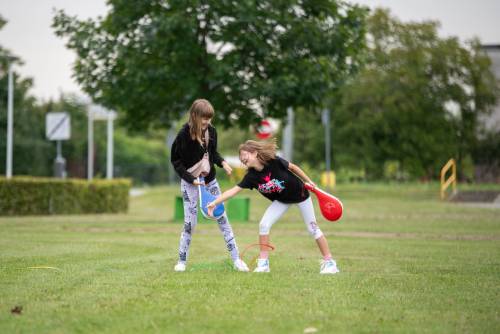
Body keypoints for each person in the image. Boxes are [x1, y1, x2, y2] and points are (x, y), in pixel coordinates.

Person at [207, 139, 339, 274]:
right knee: (264, 224)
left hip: (301, 195)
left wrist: (310, 182)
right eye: (240, 157)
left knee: (313, 229)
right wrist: (214, 202)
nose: (242, 158)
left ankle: (330, 263)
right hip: (282, 201)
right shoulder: (251, 177)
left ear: (255, 153)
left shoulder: (273, 161)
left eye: (244, 155)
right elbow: (233, 191)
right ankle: (264, 264)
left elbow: (293, 168)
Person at [170, 99, 249, 272]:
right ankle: (181, 261)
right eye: (203, 118)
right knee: (190, 224)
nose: (207, 122)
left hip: (209, 180)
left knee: (222, 217)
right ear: (194, 116)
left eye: (209, 118)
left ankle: (237, 260)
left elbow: (213, 154)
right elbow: (176, 161)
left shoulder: (212, 131)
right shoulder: (183, 135)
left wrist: (223, 163)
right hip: (190, 183)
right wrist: (190, 179)